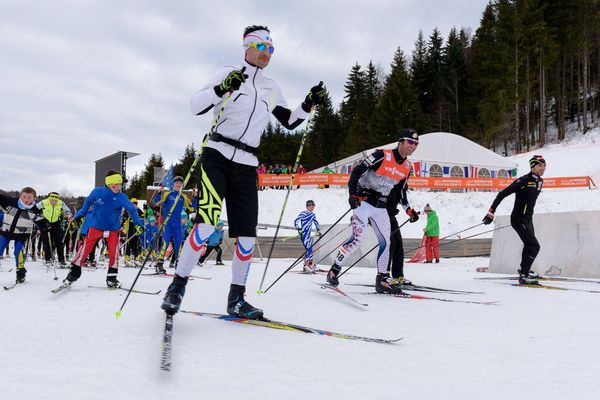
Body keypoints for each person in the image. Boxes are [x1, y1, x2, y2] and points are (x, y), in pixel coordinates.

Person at [161, 24, 326, 319]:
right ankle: (177, 286)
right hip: (217, 156)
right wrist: (222, 88)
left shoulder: (270, 87)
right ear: (247, 47)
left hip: (247, 165)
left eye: (271, 49)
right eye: (262, 48)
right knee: (206, 225)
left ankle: (236, 298)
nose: (266, 54)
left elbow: (288, 120)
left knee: (247, 237)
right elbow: (195, 106)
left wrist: (307, 104)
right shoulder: (228, 72)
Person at [326, 129, 420, 294]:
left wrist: (409, 210)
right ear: (401, 142)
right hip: (364, 201)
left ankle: (382, 280)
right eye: (410, 142)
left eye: (416, 144)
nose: (413, 146)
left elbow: (402, 191)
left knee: (386, 242)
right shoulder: (381, 155)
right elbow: (357, 171)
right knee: (357, 238)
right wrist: (353, 194)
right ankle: (334, 270)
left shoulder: (407, 167)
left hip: (381, 206)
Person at [62, 171, 144, 288]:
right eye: (114, 185)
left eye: (120, 185)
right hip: (96, 227)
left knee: (114, 253)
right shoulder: (97, 192)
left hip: (113, 229)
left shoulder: (122, 197)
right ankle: (73, 275)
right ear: (108, 184)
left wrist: (138, 224)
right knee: (84, 249)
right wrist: (76, 218)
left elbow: (132, 210)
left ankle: (112, 278)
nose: (118, 188)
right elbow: (85, 207)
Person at [482, 155, 546, 285]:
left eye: (544, 166)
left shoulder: (540, 182)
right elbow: (502, 194)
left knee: (529, 245)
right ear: (532, 166)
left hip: (528, 219)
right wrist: (491, 212)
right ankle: (524, 275)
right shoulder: (522, 181)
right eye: (540, 165)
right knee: (534, 246)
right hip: (518, 219)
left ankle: (524, 269)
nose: (543, 168)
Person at [0, 187, 49, 284]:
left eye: (29, 197)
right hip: (6, 232)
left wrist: (47, 226)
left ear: (34, 198)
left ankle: (20, 274)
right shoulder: (11, 202)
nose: (26, 199)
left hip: (21, 235)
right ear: (20, 196)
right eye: (24, 197)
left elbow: (42, 221)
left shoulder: (34, 210)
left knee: (19, 253)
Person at [151, 176, 194, 273]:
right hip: (168, 223)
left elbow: (192, 209)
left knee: (179, 243)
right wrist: (159, 193)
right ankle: (159, 264)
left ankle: (178, 263)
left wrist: (194, 198)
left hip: (177, 224)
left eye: (180, 183)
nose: (178, 184)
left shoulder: (183, 197)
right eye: (177, 182)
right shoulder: (167, 194)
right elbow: (155, 203)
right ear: (173, 183)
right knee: (165, 242)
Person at [36, 192, 72, 266]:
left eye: (55, 201)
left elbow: (67, 210)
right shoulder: (43, 202)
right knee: (47, 242)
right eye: (52, 200)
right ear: (49, 199)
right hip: (45, 223)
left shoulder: (61, 203)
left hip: (56, 223)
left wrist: (69, 214)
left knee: (60, 242)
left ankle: (61, 260)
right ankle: (48, 259)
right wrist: (39, 217)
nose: (54, 202)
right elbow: (34, 209)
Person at [294, 200, 321, 273]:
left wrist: (318, 230)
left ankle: (310, 264)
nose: (312, 208)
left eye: (313, 206)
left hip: (308, 235)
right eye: (311, 206)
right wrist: (298, 229)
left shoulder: (312, 215)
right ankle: (306, 265)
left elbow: (316, 222)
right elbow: (296, 221)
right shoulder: (303, 213)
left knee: (311, 249)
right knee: (309, 249)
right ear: (308, 206)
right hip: (304, 234)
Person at [123, 198, 144, 267]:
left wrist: (146, 211)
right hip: (129, 229)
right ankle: (127, 258)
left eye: (135, 204)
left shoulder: (138, 210)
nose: (134, 205)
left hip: (136, 230)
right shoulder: (128, 210)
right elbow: (124, 218)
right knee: (128, 244)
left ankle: (136, 259)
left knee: (135, 245)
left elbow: (144, 216)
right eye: (133, 204)